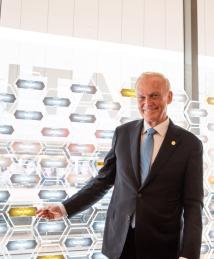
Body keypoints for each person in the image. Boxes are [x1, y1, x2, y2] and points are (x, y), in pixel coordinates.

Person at [37, 72, 203, 259]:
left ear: (169, 97)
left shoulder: (190, 145)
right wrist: (65, 207)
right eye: (141, 97)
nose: (147, 102)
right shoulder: (123, 133)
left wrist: (189, 255)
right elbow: (102, 181)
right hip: (120, 243)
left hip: (162, 246)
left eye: (154, 95)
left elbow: (193, 204)